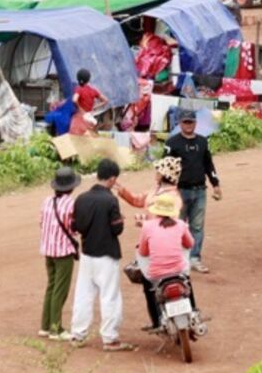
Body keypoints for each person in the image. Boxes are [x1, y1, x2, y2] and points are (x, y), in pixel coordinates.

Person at [69, 159, 134, 351]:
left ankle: (78, 334)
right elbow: (117, 229)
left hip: (87, 253)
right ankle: (110, 338)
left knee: (83, 295)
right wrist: (121, 221)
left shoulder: (81, 198)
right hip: (106, 254)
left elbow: (75, 226)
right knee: (110, 296)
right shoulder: (110, 200)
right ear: (113, 179)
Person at [165, 109, 220, 273]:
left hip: (199, 190)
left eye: (191, 122)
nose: (188, 125)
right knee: (177, 226)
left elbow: (209, 165)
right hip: (179, 191)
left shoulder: (203, 142)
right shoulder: (172, 143)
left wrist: (215, 184)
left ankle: (194, 258)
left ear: (196, 123)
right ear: (180, 123)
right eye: (185, 122)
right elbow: (165, 166)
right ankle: (178, 259)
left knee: (197, 227)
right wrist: (166, 188)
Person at [137, 193, 195, 330]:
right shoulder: (181, 225)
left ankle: (156, 321)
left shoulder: (148, 226)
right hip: (179, 270)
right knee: (187, 281)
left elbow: (143, 252)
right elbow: (190, 244)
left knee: (148, 287)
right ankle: (193, 309)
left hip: (157, 274)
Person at [39, 166, 79, 340]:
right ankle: (56, 328)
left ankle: (45, 325)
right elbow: (75, 228)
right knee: (60, 290)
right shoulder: (71, 204)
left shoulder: (47, 201)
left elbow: (41, 223)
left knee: (51, 286)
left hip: (48, 250)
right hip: (63, 252)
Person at [69, 69, 108, 135]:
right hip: (89, 117)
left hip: (80, 118)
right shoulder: (93, 90)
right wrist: (94, 107)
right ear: (88, 79)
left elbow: (74, 100)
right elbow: (105, 100)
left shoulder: (79, 89)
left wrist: (80, 109)